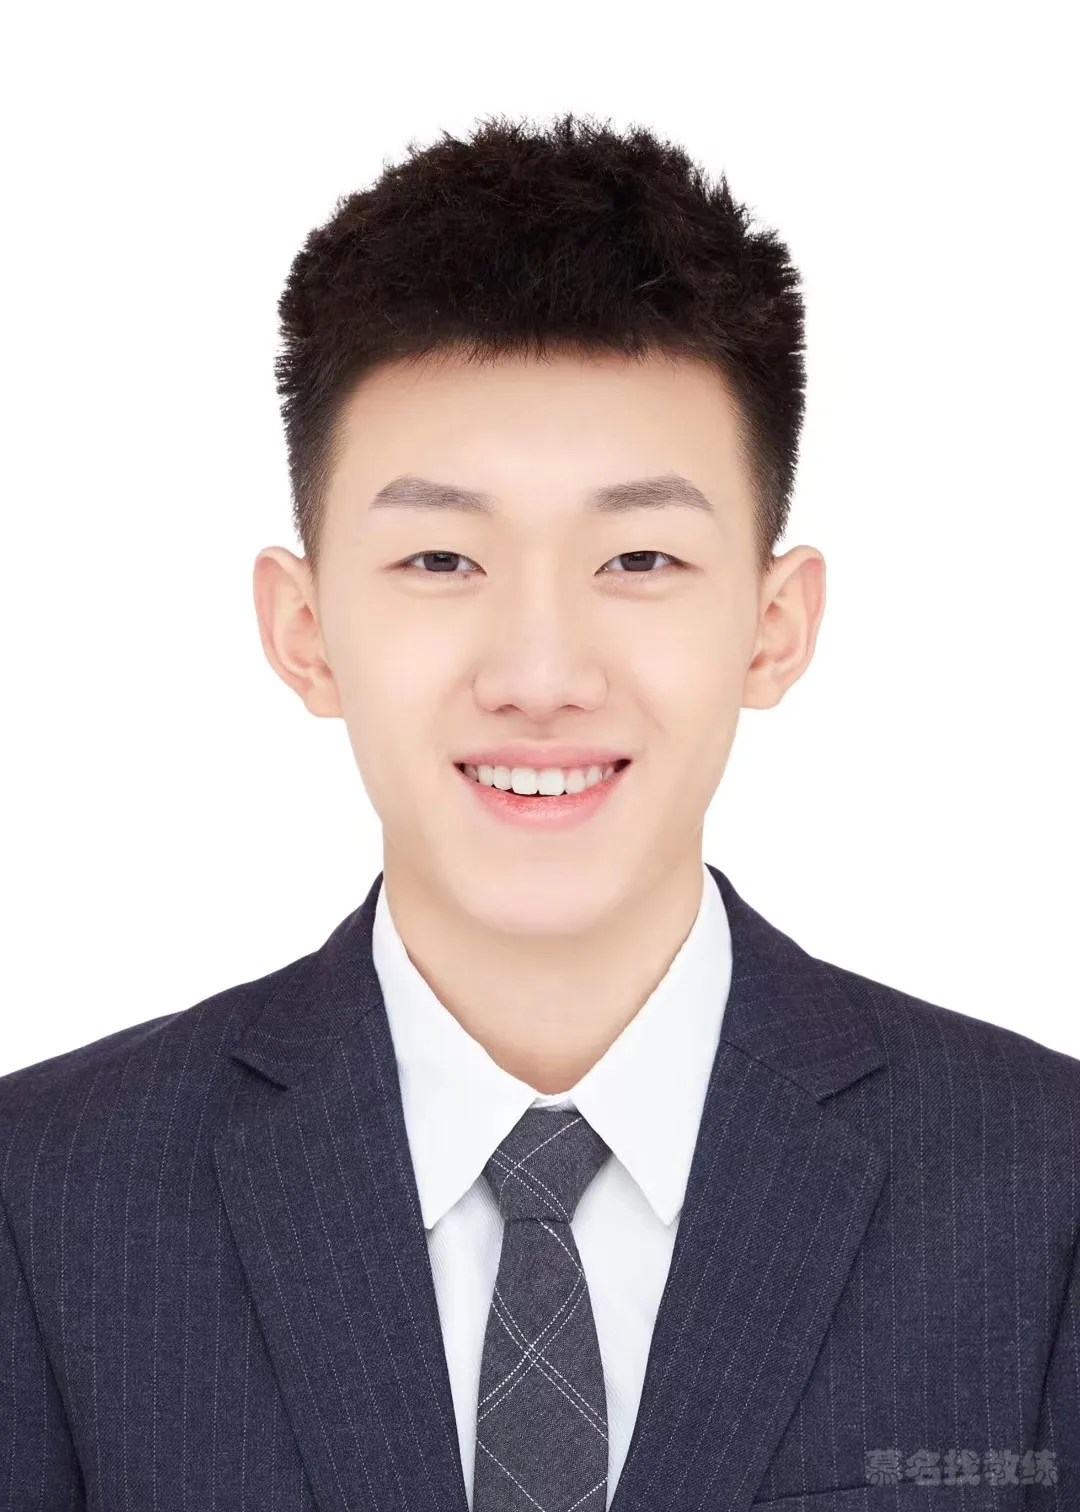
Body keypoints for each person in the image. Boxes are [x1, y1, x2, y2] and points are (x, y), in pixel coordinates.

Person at [1, 110, 1076, 1512]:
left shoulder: (1043, 1189)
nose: (542, 674)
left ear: (775, 626)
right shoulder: (48, 1198)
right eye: (441, 559)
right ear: (305, 632)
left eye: (640, 558)